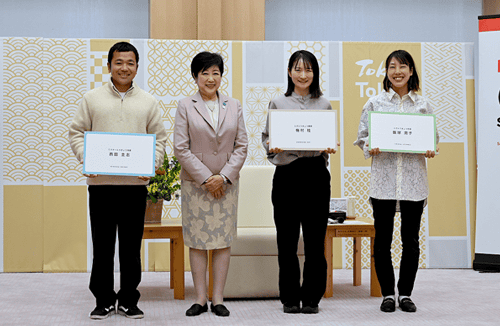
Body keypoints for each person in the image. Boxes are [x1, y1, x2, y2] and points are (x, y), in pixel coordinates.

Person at [68, 42, 168, 320]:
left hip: (134, 187)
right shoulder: (92, 99)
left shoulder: (148, 102)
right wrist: (85, 158)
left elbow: (159, 139)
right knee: (102, 246)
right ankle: (102, 299)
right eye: (119, 62)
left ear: (137, 66)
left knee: (130, 247)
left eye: (130, 63)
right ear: (109, 65)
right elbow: (76, 132)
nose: (124, 68)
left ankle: (128, 299)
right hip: (101, 186)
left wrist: (152, 164)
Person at [353, 49, 439, 313]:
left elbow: (433, 138)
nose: (398, 71)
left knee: (410, 241)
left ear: (411, 71)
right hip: (384, 181)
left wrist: (429, 147)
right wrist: (371, 145)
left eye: (403, 66)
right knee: (383, 241)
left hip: (413, 183)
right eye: (392, 67)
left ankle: (406, 294)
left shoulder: (422, 104)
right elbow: (362, 137)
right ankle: (387, 294)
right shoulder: (375, 103)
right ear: (386, 72)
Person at [261, 50, 336, 314]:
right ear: (290, 72)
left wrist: (329, 146)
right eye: (297, 69)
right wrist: (273, 145)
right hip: (288, 175)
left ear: (315, 74)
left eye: (308, 70)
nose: (303, 75)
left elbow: (326, 144)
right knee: (287, 240)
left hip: (315, 174)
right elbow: (267, 140)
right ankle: (290, 297)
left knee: (316, 241)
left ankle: (312, 297)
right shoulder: (278, 103)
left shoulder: (324, 104)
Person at [173, 51, 248, 317]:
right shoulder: (185, 105)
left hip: (226, 184)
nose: (210, 78)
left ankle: (218, 299)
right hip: (196, 184)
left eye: (215, 72)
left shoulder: (234, 105)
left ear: (221, 75)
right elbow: (181, 148)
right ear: (195, 76)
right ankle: (200, 298)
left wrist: (224, 177)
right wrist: (206, 178)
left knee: (222, 241)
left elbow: (242, 146)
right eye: (204, 72)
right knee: (197, 240)